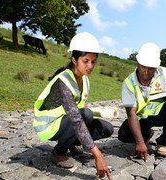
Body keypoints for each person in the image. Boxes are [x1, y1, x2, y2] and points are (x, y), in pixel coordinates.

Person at [32, 32, 113, 179]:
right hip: (49, 125)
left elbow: (78, 110)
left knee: (107, 129)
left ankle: (72, 143)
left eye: (93, 62)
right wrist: (98, 155)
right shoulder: (64, 81)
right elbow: (77, 118)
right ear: (74, 60)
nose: (90, 66)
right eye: (86, 61)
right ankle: (58, 152)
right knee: (85, 114)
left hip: (66, 121)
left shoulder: (85, 79)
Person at [118, 42, 166, 159]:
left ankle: (163, 142)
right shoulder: (128, 83)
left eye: (151, 68)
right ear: (138, 63)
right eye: (144, 66)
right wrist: (140, 142)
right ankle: (146, 135)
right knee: (123, 135)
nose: (146, 71)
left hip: (160, 114)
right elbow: (131, 114)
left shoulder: (164, 72)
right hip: (140, 118)